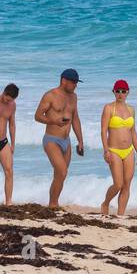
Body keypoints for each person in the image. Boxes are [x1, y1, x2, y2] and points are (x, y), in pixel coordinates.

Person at [34, 68, 84, 207]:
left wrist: (80, 140)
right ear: (64, 80)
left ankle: (53, 204)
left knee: (61, 175)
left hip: (66, 141)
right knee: (62, 171)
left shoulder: (73, 97)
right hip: (52, 140)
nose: (75, 85)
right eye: (73, 82)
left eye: (76, 82)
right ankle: (53, 204)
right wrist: (53, 121)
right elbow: (37, 116)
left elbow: (75, 119)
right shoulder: (50, 95)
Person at [100, 79, 137, 217]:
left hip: (129, 150)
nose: (120, 94)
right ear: (113, 92)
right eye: (117, 91)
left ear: (128, 92)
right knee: (118, 184)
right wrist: (106, 150)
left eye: (123, 91)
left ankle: (120, 216)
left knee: (126, 185)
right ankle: (105, 203)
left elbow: (133, 132)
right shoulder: (108, 108)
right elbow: (103, 131)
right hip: (114, 150)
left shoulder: (131, 110)